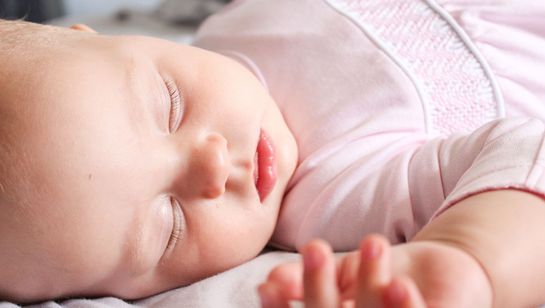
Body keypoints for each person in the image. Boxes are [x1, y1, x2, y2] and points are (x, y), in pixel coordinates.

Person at [0, 1, 544, 307]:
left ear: (97, 38)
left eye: (170, 105)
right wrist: (469, 258)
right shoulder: (336, 196)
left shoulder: (226, 27)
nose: (211, 167)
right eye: (169, 225)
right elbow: (524, 153)